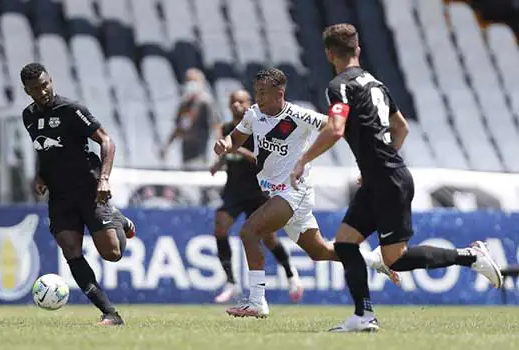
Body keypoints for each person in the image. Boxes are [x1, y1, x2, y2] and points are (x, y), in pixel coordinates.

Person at [290, 24, 503, 332]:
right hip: (382, 177)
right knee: (347, 243)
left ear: (328, 53)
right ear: (358, 50)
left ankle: (470, 256)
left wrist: (302, 160)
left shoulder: (339, 85)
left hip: (387, 180)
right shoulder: (377, 84)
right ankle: (363, 316)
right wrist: (375, 164)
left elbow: (335, 129)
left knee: (396, 259)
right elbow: (401, 127)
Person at [214, 68, 398, 318]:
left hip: (294, 191)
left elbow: (335, 127)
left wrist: (366, 158)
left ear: (279, 93)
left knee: (249, 231)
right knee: (320, 252)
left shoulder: (298, 115)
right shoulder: (253, 114)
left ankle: (257, 301)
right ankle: (375, 260)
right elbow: (235, 138)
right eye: (256, 92)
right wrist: (225, 144)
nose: (258, 97)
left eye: (263, 93)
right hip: (275, 193)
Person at [20, 62, 136, 326]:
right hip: (59, 196)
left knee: (112, 254)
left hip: (89, 189)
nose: (43, 91)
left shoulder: (72, 110)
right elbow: (43, 150)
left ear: (51, 81)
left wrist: (104, 179)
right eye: (36, 88)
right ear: (27, 91)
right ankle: (110, 313)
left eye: (46, 84)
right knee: (70, 250)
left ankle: (118, 218)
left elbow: (106, 140)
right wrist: (39, 176)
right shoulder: (28, 116)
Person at [210, 89, 303, 304]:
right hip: (234, 190)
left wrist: (236, 149)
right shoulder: (226, 129)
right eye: (233, 101)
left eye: (241, 101)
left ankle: (291, 274)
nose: (236, 105)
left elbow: (263, 160)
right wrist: (218, 163)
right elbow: (227, 155)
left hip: (258, 191)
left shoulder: (259, 127)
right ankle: (231, 283)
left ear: (250, 103)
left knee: (269, 238)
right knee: (220, 226)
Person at [161, 68, 221, 169]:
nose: (191, 84)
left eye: (194, 81)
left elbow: (216, 127)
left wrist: (219, 153)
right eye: (188, 81)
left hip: (200, 154)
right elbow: (178, 128)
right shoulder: (184, 104)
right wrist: (167, 146)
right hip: (185, 153)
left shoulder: (206, 103)